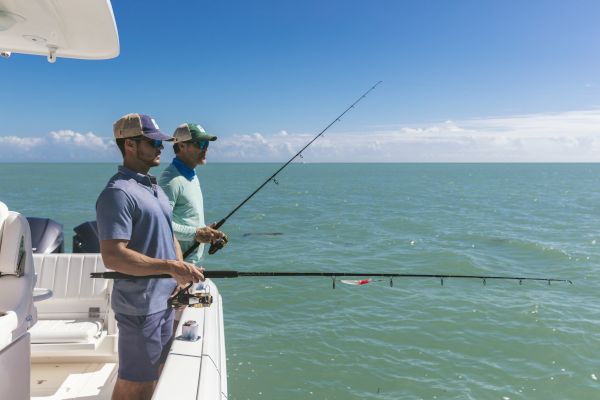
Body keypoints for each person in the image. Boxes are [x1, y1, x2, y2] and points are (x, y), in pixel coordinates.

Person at [96, 113, 204, 400]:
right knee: (135, 383)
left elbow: (168, 237)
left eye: (161, 142)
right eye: (153, 142)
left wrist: (180, 273)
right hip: (140, 307)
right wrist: (170, 267)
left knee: (154, 375)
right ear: (129, 144)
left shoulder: (153, 187)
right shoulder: (118, 193)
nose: (161, 148)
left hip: (166, 300)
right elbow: (114, 256)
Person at [158, 123, 225, 266]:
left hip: (192, 266)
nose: (205, 148)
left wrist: (205, 229)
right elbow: (161, 226)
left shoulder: (192, 175)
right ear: (181, 146)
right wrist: (197, 233)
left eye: (206, 143)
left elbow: (185, 218)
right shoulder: (171, 180)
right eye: (200, 143)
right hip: (179, 267)